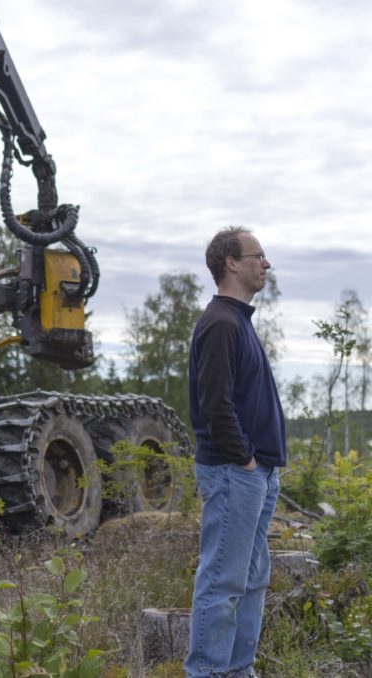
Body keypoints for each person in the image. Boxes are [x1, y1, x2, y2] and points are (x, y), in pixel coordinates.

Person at [184, 226, 286, 678]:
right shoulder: (221, 324)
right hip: (234, 472)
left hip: (256, 473)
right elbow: (215, 405)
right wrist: (244, 460)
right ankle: (205, 672)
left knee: (252, 582)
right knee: (222, 583)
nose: (265, 264)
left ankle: (238, 671)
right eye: (258, 256)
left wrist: (260, 466)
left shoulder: (238, 321)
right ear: (231, 262)